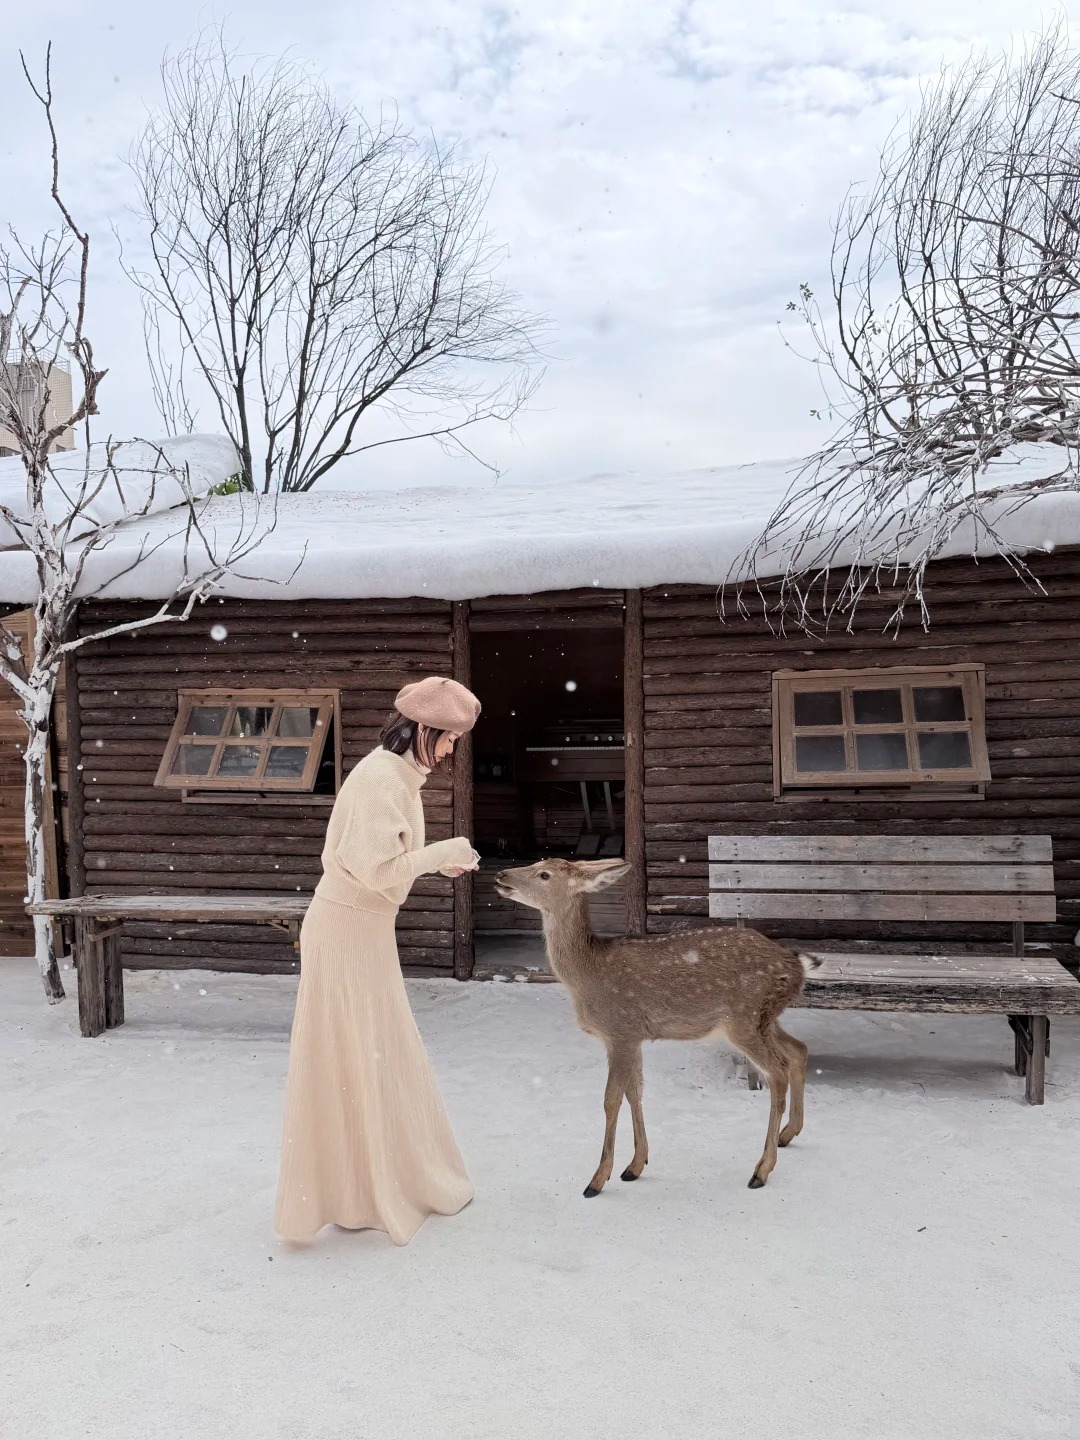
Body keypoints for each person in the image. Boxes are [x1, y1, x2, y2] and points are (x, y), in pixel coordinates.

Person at [275, 676, 481, 1246]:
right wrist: (439, 854)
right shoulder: (379, 779)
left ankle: (369, 1183)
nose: (450, 751)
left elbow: (387, 865)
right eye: (448, 739)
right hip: (344, 931)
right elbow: (377, 871)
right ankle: (355, 1191)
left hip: (364, 930)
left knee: (375, 1051)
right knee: (351, 1056)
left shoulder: (399, 777)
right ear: (423, 728)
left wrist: (435, 861)